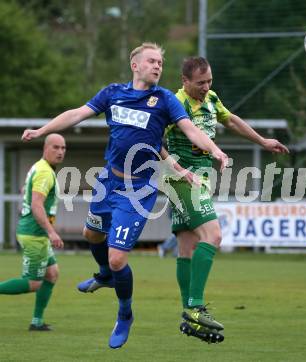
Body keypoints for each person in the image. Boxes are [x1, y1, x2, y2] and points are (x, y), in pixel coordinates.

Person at [21, 42, 228, 349]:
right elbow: (77, 113)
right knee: (91, 235)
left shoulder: (165, 100)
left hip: (137, 190)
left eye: (160, 62)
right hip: (107, 180)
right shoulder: (113, 93)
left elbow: (190, 130)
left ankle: (125, 313)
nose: (158, 66)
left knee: (118, 259)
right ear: (136, 65)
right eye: (152, 61)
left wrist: (215, 150)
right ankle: (103, 275)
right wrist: (40, 131)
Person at [160, 56, 290, 343]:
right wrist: (179, 171)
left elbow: (230, 119)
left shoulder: (211, 99)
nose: (206, 87)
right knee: (214, 235)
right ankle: (195, 308)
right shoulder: (173, 104)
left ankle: (189, 316)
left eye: (209, 81)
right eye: (200, 83)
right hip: (181, 180)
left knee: (187, 246)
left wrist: (263, 141)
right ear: (184, 81)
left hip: (199, 179)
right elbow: (156, 142)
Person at [0, 134, 66, 331]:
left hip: (37, 233)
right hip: (35, 234)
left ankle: (36, 322)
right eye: (56, 147)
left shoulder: (39, 167)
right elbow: (37, 205)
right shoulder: (45, 172)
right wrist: (52, 232)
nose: (60, 152)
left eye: (63, 148)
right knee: (34, 283)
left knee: (52, 274)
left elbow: (26, 191)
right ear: (46, 148)